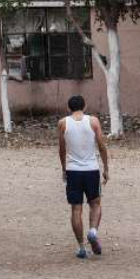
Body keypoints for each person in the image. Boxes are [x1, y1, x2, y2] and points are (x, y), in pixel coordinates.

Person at [57, 95, 109, 260]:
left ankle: (81, 248)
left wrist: (64, 168)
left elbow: (62, 148)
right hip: (91, 169)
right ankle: (93, 231)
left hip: (73, 171)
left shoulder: (63, 123)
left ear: (69, 108)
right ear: (85, 106)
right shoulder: (93, 121)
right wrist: (106, 168)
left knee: (76, 209)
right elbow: (101, 145)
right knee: (95, 203)